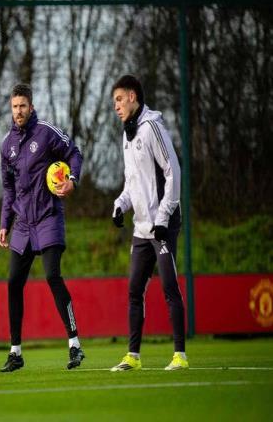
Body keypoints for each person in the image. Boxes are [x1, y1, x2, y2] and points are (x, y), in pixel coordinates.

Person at [0, 83, 85, 372]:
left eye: (23, 106)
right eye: (14, 107)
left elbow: (74, 153)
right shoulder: (7, 145)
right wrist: (5, 224)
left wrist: (72, 180)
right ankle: (15, 353)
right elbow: (8, 189)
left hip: (48, 217)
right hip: (23, 224)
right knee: (13, 282)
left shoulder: (46, 133)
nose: (18, 111)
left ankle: (75, 345)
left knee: (52, 275)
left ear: (31, 107)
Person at [109, 75, 188, 371]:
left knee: (169, 287)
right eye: (114, 102)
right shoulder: (127, 135)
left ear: (132, 96)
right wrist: (120, 205)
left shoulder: (152, 127)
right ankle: (133, 356)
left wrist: (164, 217)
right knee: (134, 290)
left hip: (163, 223)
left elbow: (173, 171)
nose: (116, 106)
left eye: (119, 99)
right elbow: (132, 183)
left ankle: (180, 355)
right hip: (141, 228)